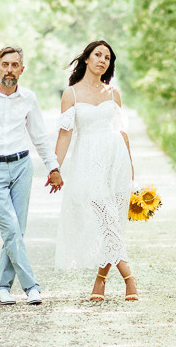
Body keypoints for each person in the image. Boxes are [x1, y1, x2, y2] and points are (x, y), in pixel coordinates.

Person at [0, 45, 63, 305]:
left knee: (18, 229)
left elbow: (39, 136)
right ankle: (32, 287)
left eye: (14, 65)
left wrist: (53, 168)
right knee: (10, 228)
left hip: (21, 167)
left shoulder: (28, 98)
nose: (9, 69)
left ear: (22, 69)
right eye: (5, 64)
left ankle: (3, 288)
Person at [53, 39, 138, 302]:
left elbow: (122, 132)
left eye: (108, 58)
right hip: (87, 161)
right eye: (98, 55)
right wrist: (54, 168)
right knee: (105, 216)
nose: (103, 60)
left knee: (111, 221)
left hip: (115, 160)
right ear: (87, 59)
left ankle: (99, 283)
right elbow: (65, 134)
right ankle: (130, 279)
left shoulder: (113, 93)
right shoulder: (72, 94)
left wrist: (131, 168)